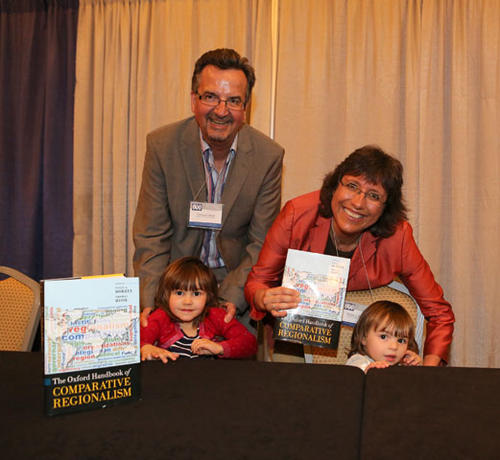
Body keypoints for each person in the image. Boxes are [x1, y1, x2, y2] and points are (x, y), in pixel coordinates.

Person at [244, 145, 454, 366]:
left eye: (373, 196)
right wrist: (262, 297)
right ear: (335, 185)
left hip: (370, 347)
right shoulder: (298, 214)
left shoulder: (397, 237)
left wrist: (429, 372)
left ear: (386, 207)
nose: (357, 203)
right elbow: (258, 281)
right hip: (298, 333)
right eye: (352, 186)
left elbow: (439, 313)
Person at [133, 48, 284, 331]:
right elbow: (151, 235)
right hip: (173, 287)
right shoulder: (162, 146)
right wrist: (153, 300)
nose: (221, 111)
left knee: (230, 369)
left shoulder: (268, 156)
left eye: (233, 101)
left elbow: (261, 243)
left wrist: (233, 296)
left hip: (234, 289)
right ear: (194, 100)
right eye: (210, 97)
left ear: (246, 108)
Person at [140, 257, 257, 362]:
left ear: (208, 296)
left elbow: (249, 343)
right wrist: (145, 348)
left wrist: (220, 348)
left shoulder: (216, 316)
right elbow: (131, 343)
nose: (187, 302)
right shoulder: (160, 317)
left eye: (196, 294)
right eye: (179, 293)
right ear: (166, 295)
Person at [345, 300, 421, 372]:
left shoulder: (400, 365)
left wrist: (413, 368)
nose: (394, 347)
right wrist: (368, 372)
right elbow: (350, 380)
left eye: (401, 341)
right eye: (383, 337)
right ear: (364, 338)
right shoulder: (358, 361)